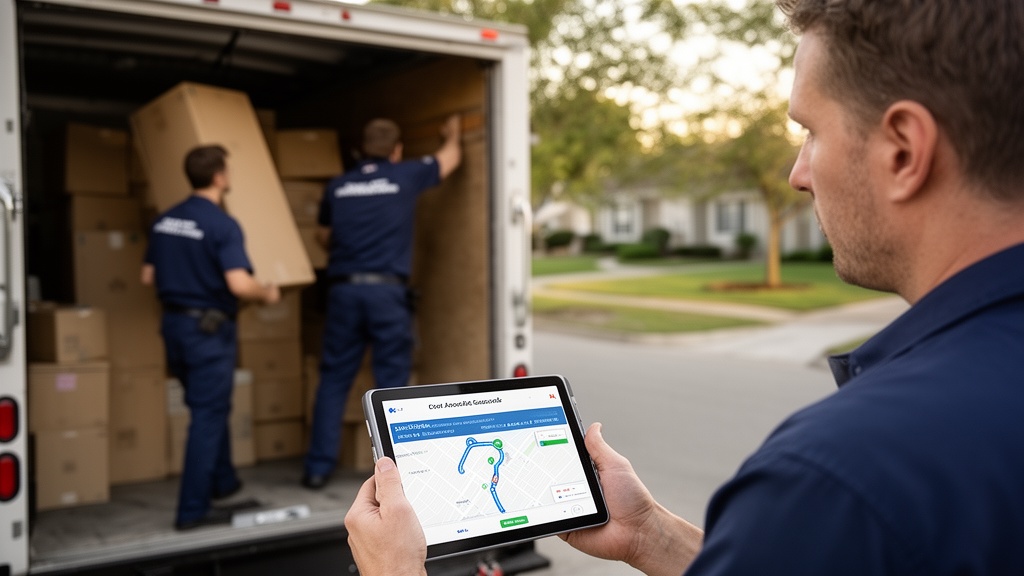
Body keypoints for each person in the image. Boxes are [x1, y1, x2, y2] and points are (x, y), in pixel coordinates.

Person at [344, 0, 1024, 573]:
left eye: (810, 132)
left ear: (903, 150)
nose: (798, 173)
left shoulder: (840, 478)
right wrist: (652, 536)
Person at [302, 115, 462, 489]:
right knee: (391, 386)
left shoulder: (338, 186)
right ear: (396, 150)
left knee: (334, 379)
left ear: (361, 150)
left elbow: (323, 237)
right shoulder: (405, 175)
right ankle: (398, 474)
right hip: (386, 294)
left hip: (344, 291)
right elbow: (451, 158)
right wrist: (451, 132)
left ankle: (316, 469)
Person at [142, 144, 280, 530]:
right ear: (219, 176)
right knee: (208, 414)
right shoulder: (222, 224)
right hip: (208, 331)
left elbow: (148, 276)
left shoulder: (164, 220)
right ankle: (192, 510)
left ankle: (222, 482)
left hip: (174, 327)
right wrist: (268, 293)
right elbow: (238, 283)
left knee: (208, 406)